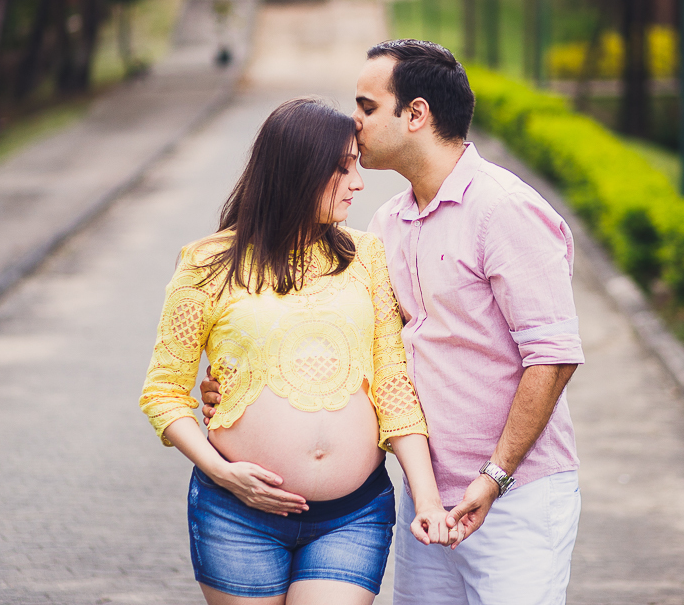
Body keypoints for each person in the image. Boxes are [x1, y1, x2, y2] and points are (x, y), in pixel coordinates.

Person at [203, 41, 584, 605]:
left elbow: (552, 358)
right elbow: (357, 347)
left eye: (367, 106)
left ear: (416, 114)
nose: (354, 122)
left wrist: (494, 477)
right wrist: (240, 386)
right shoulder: (387, 224)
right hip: (425, 499)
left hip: (514, 498)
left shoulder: (504, 208)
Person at [140, 97, 456, 605]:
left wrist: (429, 499)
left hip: (352, 515)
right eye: (343, 168)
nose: (358, 182)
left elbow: (393, 385)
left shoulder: (366, 257)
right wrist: (223, 473)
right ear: (298, 170)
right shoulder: (207, 263)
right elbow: (163, 392)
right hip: (237, 513)